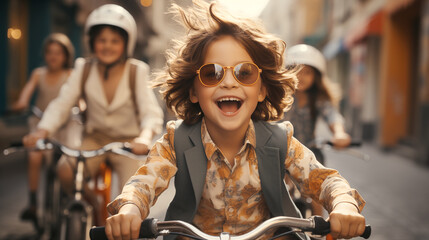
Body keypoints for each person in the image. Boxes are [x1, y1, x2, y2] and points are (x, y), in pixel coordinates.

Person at [105, 1, 366, 240]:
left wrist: (344, 203)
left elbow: (324, 178)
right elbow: (143, 183)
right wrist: (130, 207)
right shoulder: (177, 141)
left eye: (244, 72)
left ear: (262, 90)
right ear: (194, 91)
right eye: (211, 73)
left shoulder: (279, 139)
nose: (229, 82)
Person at [22, 4, 164, 221]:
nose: (107, 46)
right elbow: (62, 104)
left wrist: (144, 138)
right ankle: (92, 203)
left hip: (127, 144)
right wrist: (41, 131)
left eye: (115, 41)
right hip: (93, 139)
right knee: (65, 170)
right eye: (102, 40)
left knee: (132, 197)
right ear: (92, 42)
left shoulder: (137, 70)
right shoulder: (83, 67)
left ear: (127, 43)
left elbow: (150, 113)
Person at [283, 44, 352, 216]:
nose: (301, 76)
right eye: (297, 70)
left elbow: (333, 116)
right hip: (283, 150)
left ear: (317, 76)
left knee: (316, 189)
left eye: (308, 72)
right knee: (279, 188)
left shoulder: (318, 99)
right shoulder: (280, 96)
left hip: (310, 151)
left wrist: (339, 133)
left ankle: (318, 227)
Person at [12, 33, 74, 222]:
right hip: (40, 124)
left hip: (64, 127)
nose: (54, 57)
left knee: (70, 159)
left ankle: (69, 195)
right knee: (34, 154)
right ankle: (32, 203)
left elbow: (77, 97)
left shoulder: (71, 75)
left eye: (58, 53)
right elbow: (26, 94)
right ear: (45, 55)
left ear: (66, 56)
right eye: (50, 52)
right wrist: (21, 102)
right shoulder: (38, 73)